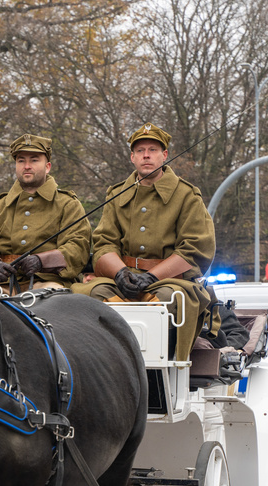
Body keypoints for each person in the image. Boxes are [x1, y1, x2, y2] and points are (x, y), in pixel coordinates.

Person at [73, 123, 218, 361]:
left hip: (169, 282)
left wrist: (152, 276)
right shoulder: (117, 194)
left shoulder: (186, 195)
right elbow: (104, 243)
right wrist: (119, 273)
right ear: (132, 157)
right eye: (140, 151)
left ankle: (154, 366)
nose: (146, 155)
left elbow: (196, 248)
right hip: (123, 280)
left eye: (152, 149)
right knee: (91, 294)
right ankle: (99, 364)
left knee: (161, 304)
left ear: (165, 155)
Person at [0, 134, 91, 292]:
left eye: (34, 160)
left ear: (48, 166)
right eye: (21, 160)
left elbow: (77, 248)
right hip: (0, 283)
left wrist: (41, 261)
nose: (27, 166)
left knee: (52, 298)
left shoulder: (68, 204)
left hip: (47, 282)